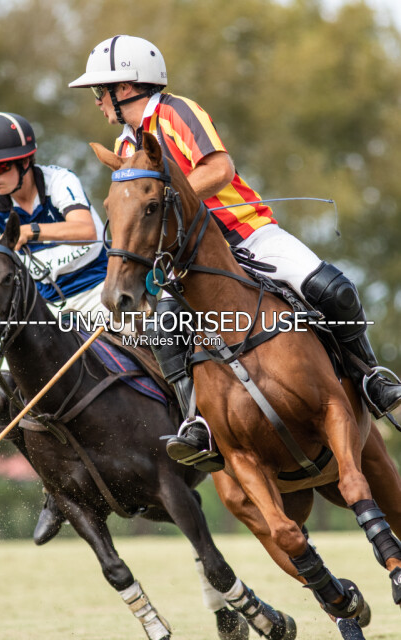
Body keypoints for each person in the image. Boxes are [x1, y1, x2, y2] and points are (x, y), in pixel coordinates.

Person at [69, 35, 401, 471]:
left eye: (100, 90)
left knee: (331, 288)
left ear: (126, 87)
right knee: (165, 333)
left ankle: (371, 377)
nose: (97, 101)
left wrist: (170, 198)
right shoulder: (125, 149)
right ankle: (196, 422)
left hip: (247, 232)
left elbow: (219, 168)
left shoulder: (176, 112)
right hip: (191, 262)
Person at [0, 112, 109, 542]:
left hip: (97, 292)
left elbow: (85, 228)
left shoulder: (60, 181)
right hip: (45, 312)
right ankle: (55, 491)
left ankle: (191, 429)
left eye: (1, 167)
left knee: (160, 345)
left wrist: (30, 231)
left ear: (25, 162)